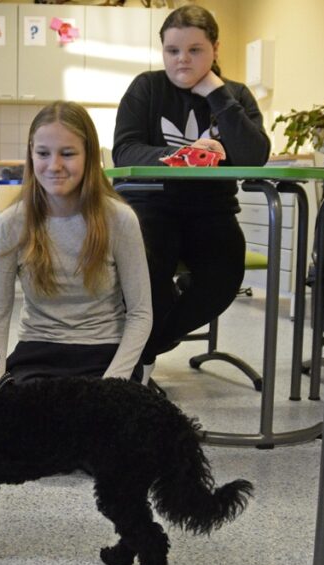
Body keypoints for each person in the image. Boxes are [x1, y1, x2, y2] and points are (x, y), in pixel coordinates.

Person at [112, 5, 270, 385]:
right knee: (151, 280)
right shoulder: (146, 88)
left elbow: (254, 155)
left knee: (222, 281)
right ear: (162, 51)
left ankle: (143, 351)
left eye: (195, 50)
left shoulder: (234, 95)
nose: (182, 59)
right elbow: (125, 150)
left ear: (215, 48)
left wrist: (216, 93)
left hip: (211, 210)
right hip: (152, 206)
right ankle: (137, 371)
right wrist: (184, 156)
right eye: (172, 51)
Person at [0, 101, 152, 383]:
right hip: (38, 352)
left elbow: (140, 313)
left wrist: (115, 381)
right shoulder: (12, 222)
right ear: (31, 156)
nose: (54, 165)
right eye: (43, 153)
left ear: (89, 156)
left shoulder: (120, 219)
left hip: (105, 353)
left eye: (68, 153)